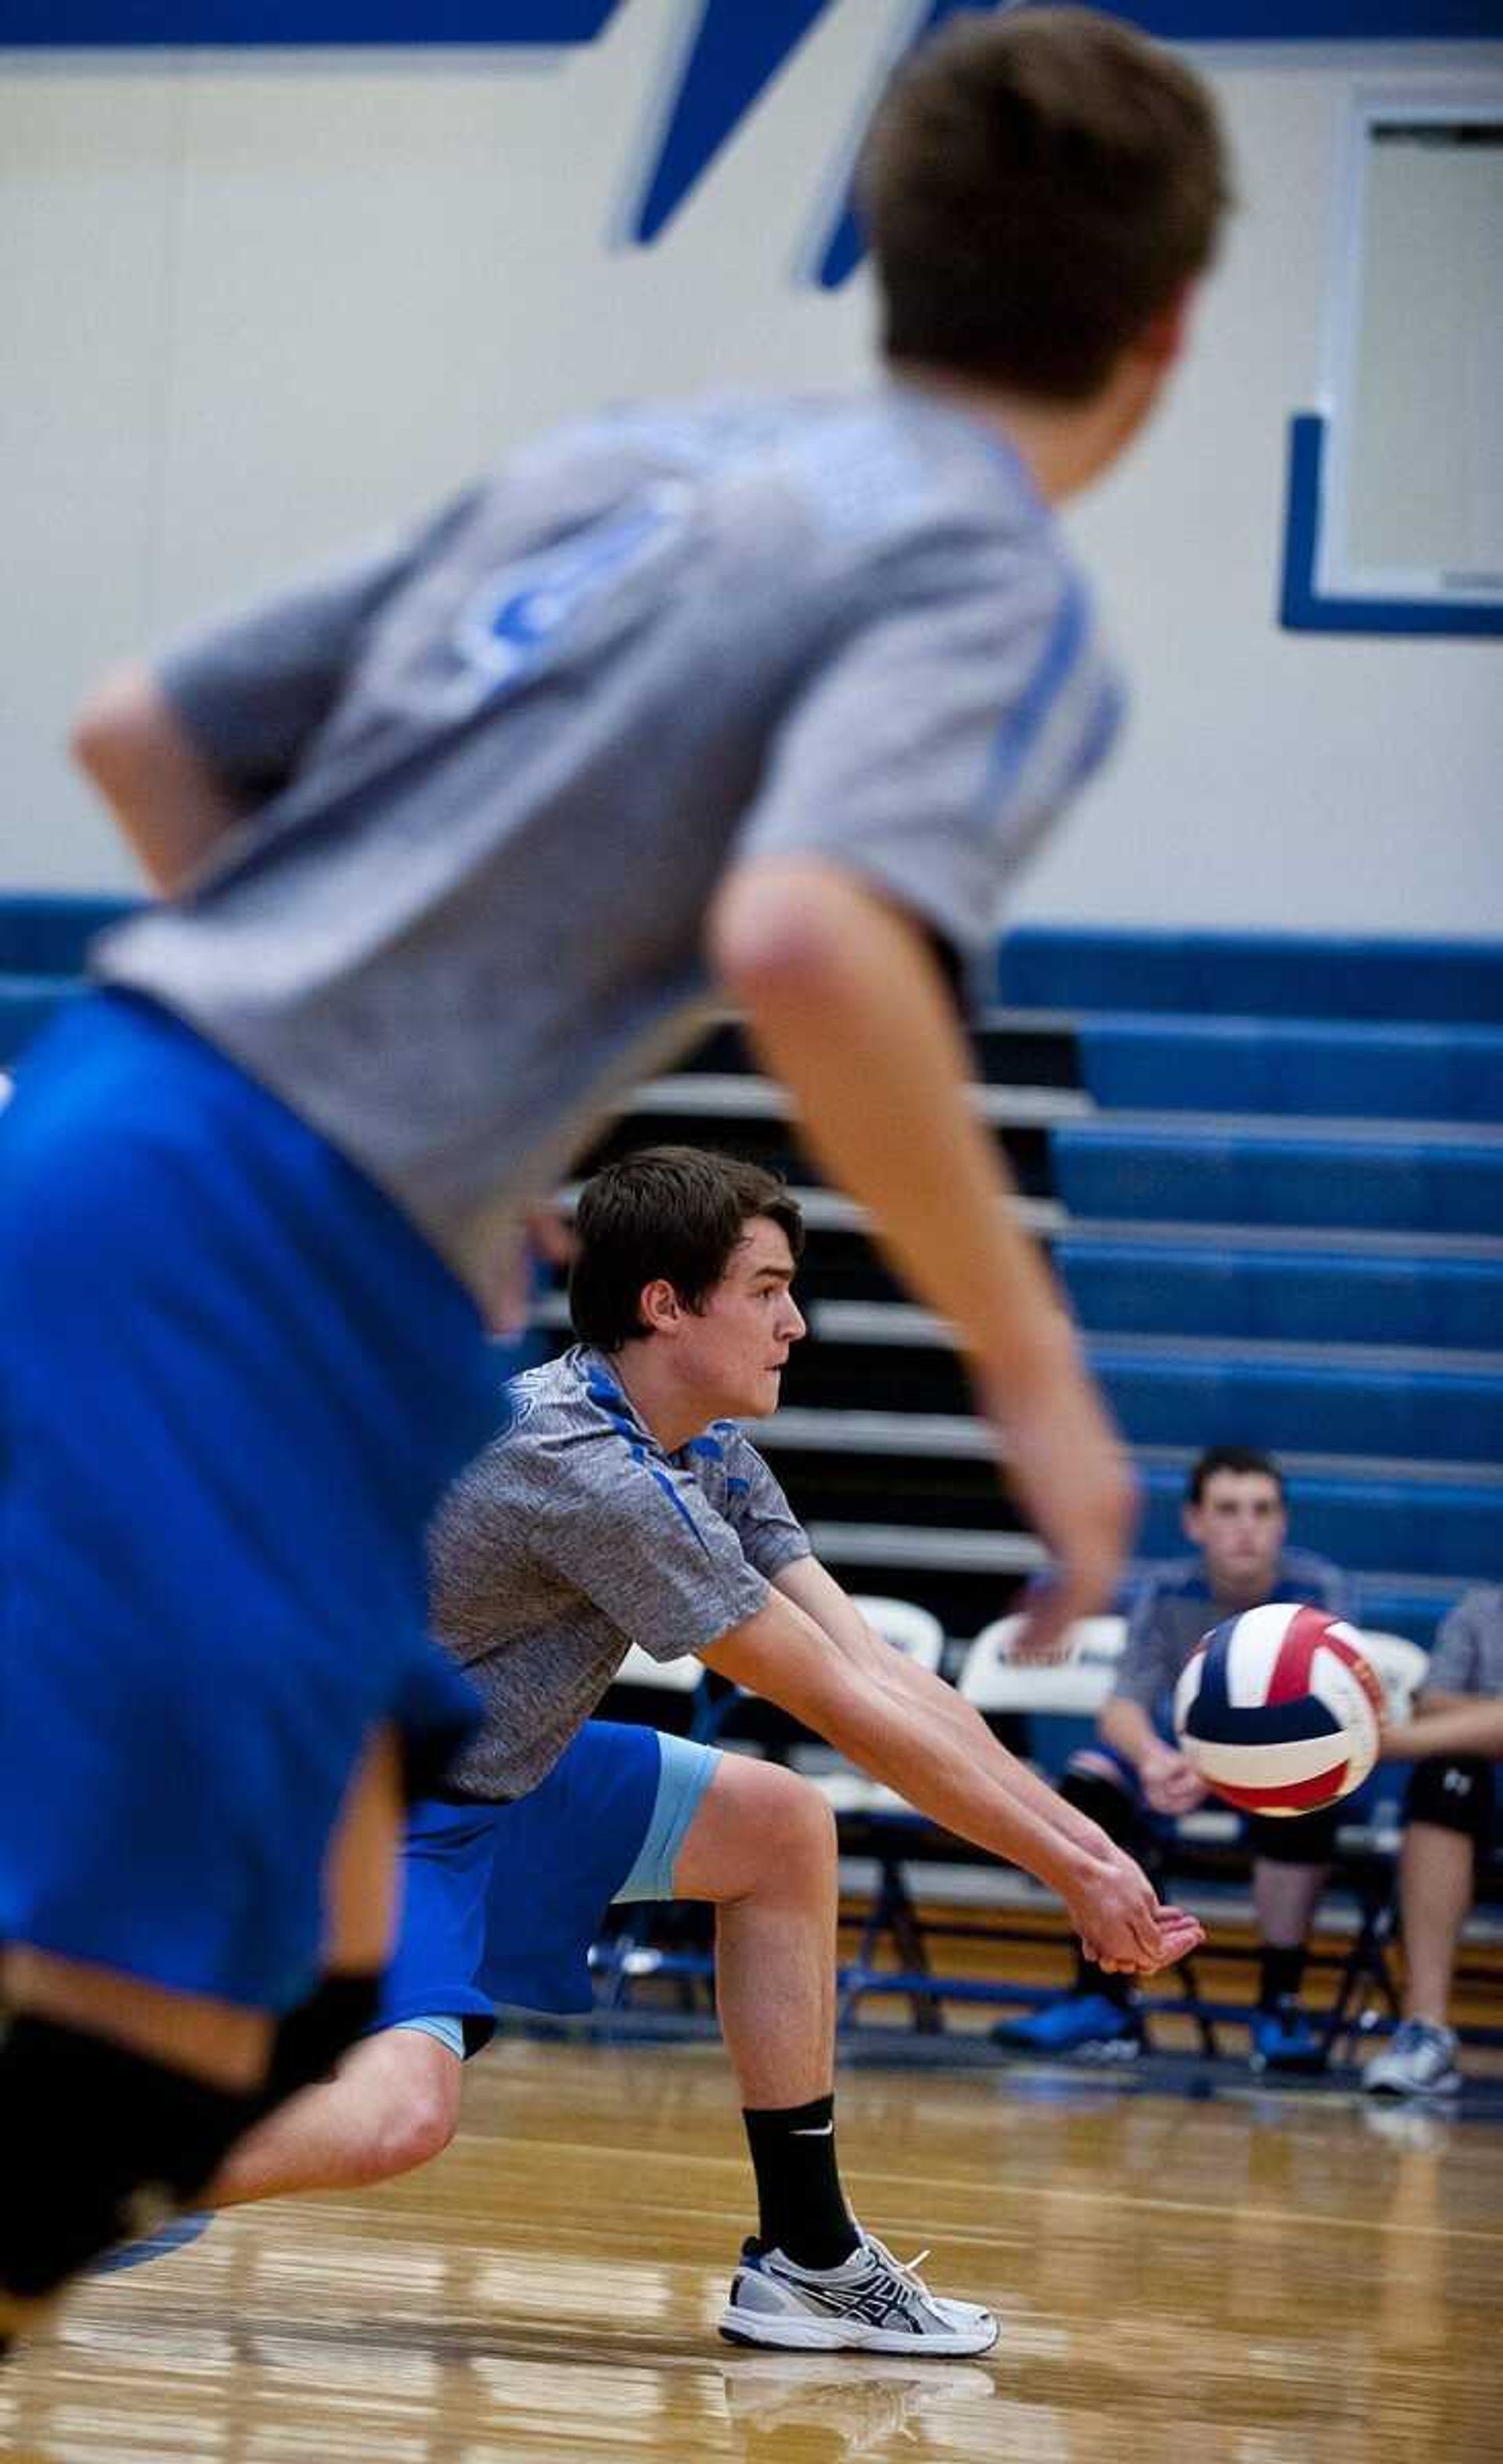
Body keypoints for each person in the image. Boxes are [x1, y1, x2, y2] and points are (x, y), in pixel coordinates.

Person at [0, 6, 1231, 2330]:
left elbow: (141, 734)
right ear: (1166, 330)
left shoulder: (633, 456)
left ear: (881, 243)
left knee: (211, 2015)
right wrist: (1035, 1379)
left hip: (121, 1124)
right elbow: (802, 932)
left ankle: (803, 2251)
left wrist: (375, 1103)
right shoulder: (985, 582)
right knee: (175, 2064)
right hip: (256, 1246)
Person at [171, 1149, 1204, 2354]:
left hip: (499, 1768)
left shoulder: (699, 1449)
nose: (795, 1322)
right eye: (765, 1289)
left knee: (777, 1828)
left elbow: (880, 1673)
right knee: (397, 2118)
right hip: (356, 1805)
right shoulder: (585, 1471)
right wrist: (1072, 1873)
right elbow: (843, 1709)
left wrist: (1092, 1848)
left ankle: (811, 2259)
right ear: (665, 1303)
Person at [998, 1447, 1350, 2071]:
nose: (1246, 1525)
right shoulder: (1166, 1592)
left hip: (1277, 1760)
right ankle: (1104, 1994)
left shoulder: (1315, 1591)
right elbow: (1123, 1707)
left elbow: (1321, 1715)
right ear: (1195, 1523)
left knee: (1310, 1797)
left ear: (1283, 1523)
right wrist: (1157, 1760)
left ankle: (1279, 2004)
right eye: (1228, 1509)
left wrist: (1214, 1766)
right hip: (1182, 1758)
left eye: (1262, 1510)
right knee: (1092, 1780)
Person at [1362, 1585, 1503, 2098]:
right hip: (1483, 1793)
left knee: (1438, 1755)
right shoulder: (1483, 1609)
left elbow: (1435, 1714)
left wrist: (1394, 1743)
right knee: (1446, 1778)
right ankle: (1427, 2032)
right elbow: (1431, 1703)